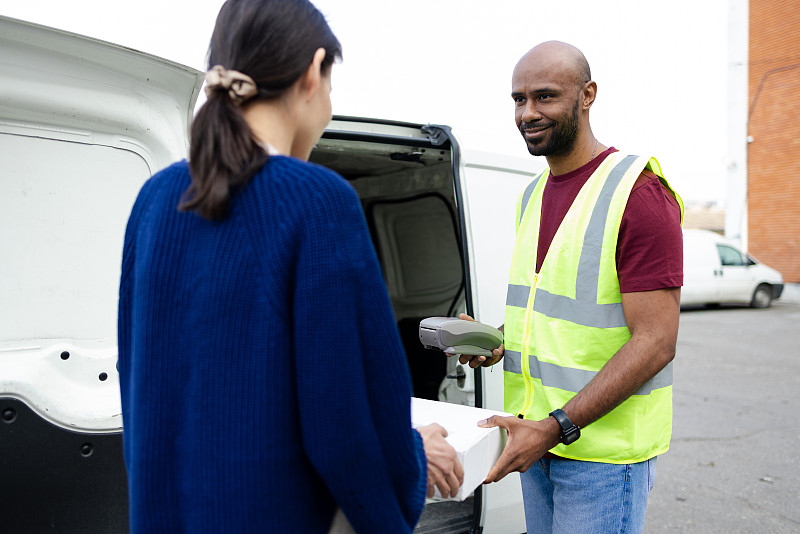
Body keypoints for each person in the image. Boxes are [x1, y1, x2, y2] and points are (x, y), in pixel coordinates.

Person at [116, 1, 463, 532]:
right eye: (331, 85)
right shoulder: (316, 201)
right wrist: (414, 456)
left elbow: (140, 385)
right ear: (312, 72)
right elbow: (345, 423)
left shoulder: (152, 200)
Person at [458, 41, 684, 533]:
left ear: (588, 95)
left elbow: (656, 341)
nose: (528, 113)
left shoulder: (639, 193)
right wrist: (496, 341)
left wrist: (555, 427)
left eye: (545, 97)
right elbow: (558, 314)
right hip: (537, 441)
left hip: (600, 459)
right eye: (518, 99)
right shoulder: (532, 195)